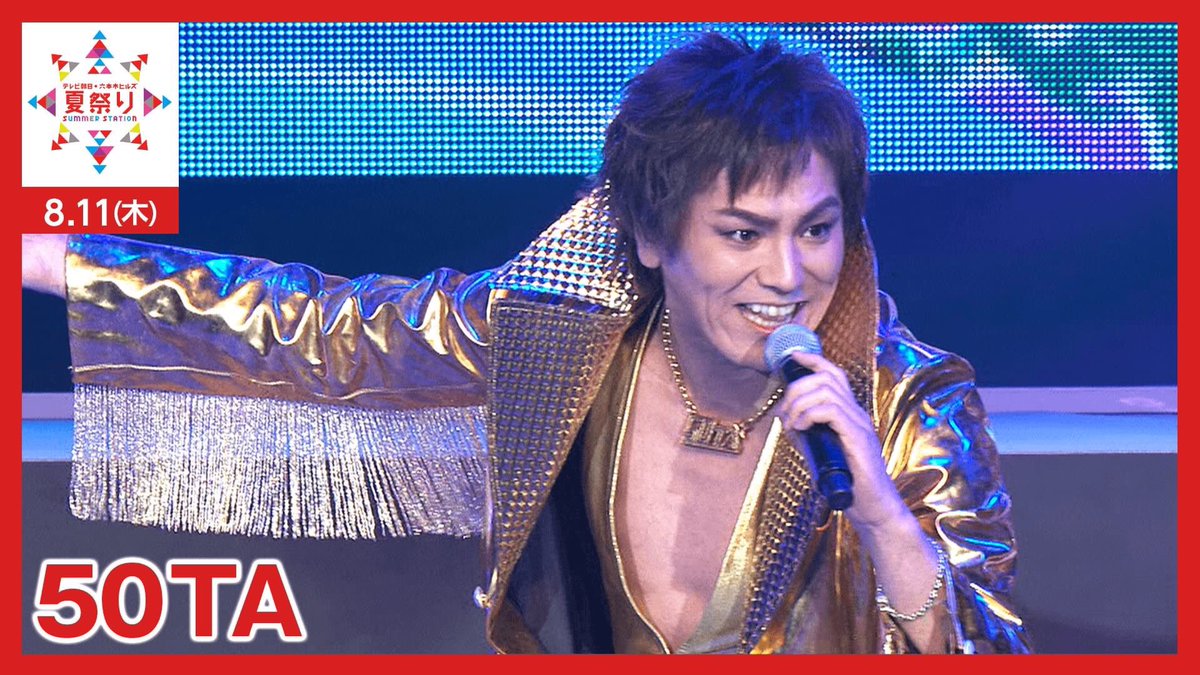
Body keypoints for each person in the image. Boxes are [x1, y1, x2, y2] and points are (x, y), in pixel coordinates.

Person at [21, 32, 1029, 654]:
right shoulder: (562, 339)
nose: (787, 274)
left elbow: (990, 650)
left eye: (816, 229)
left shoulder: (908, 399)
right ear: (649, 235)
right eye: (742, 234)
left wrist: (882, 511)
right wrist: (60, 259)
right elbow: (324, 329)